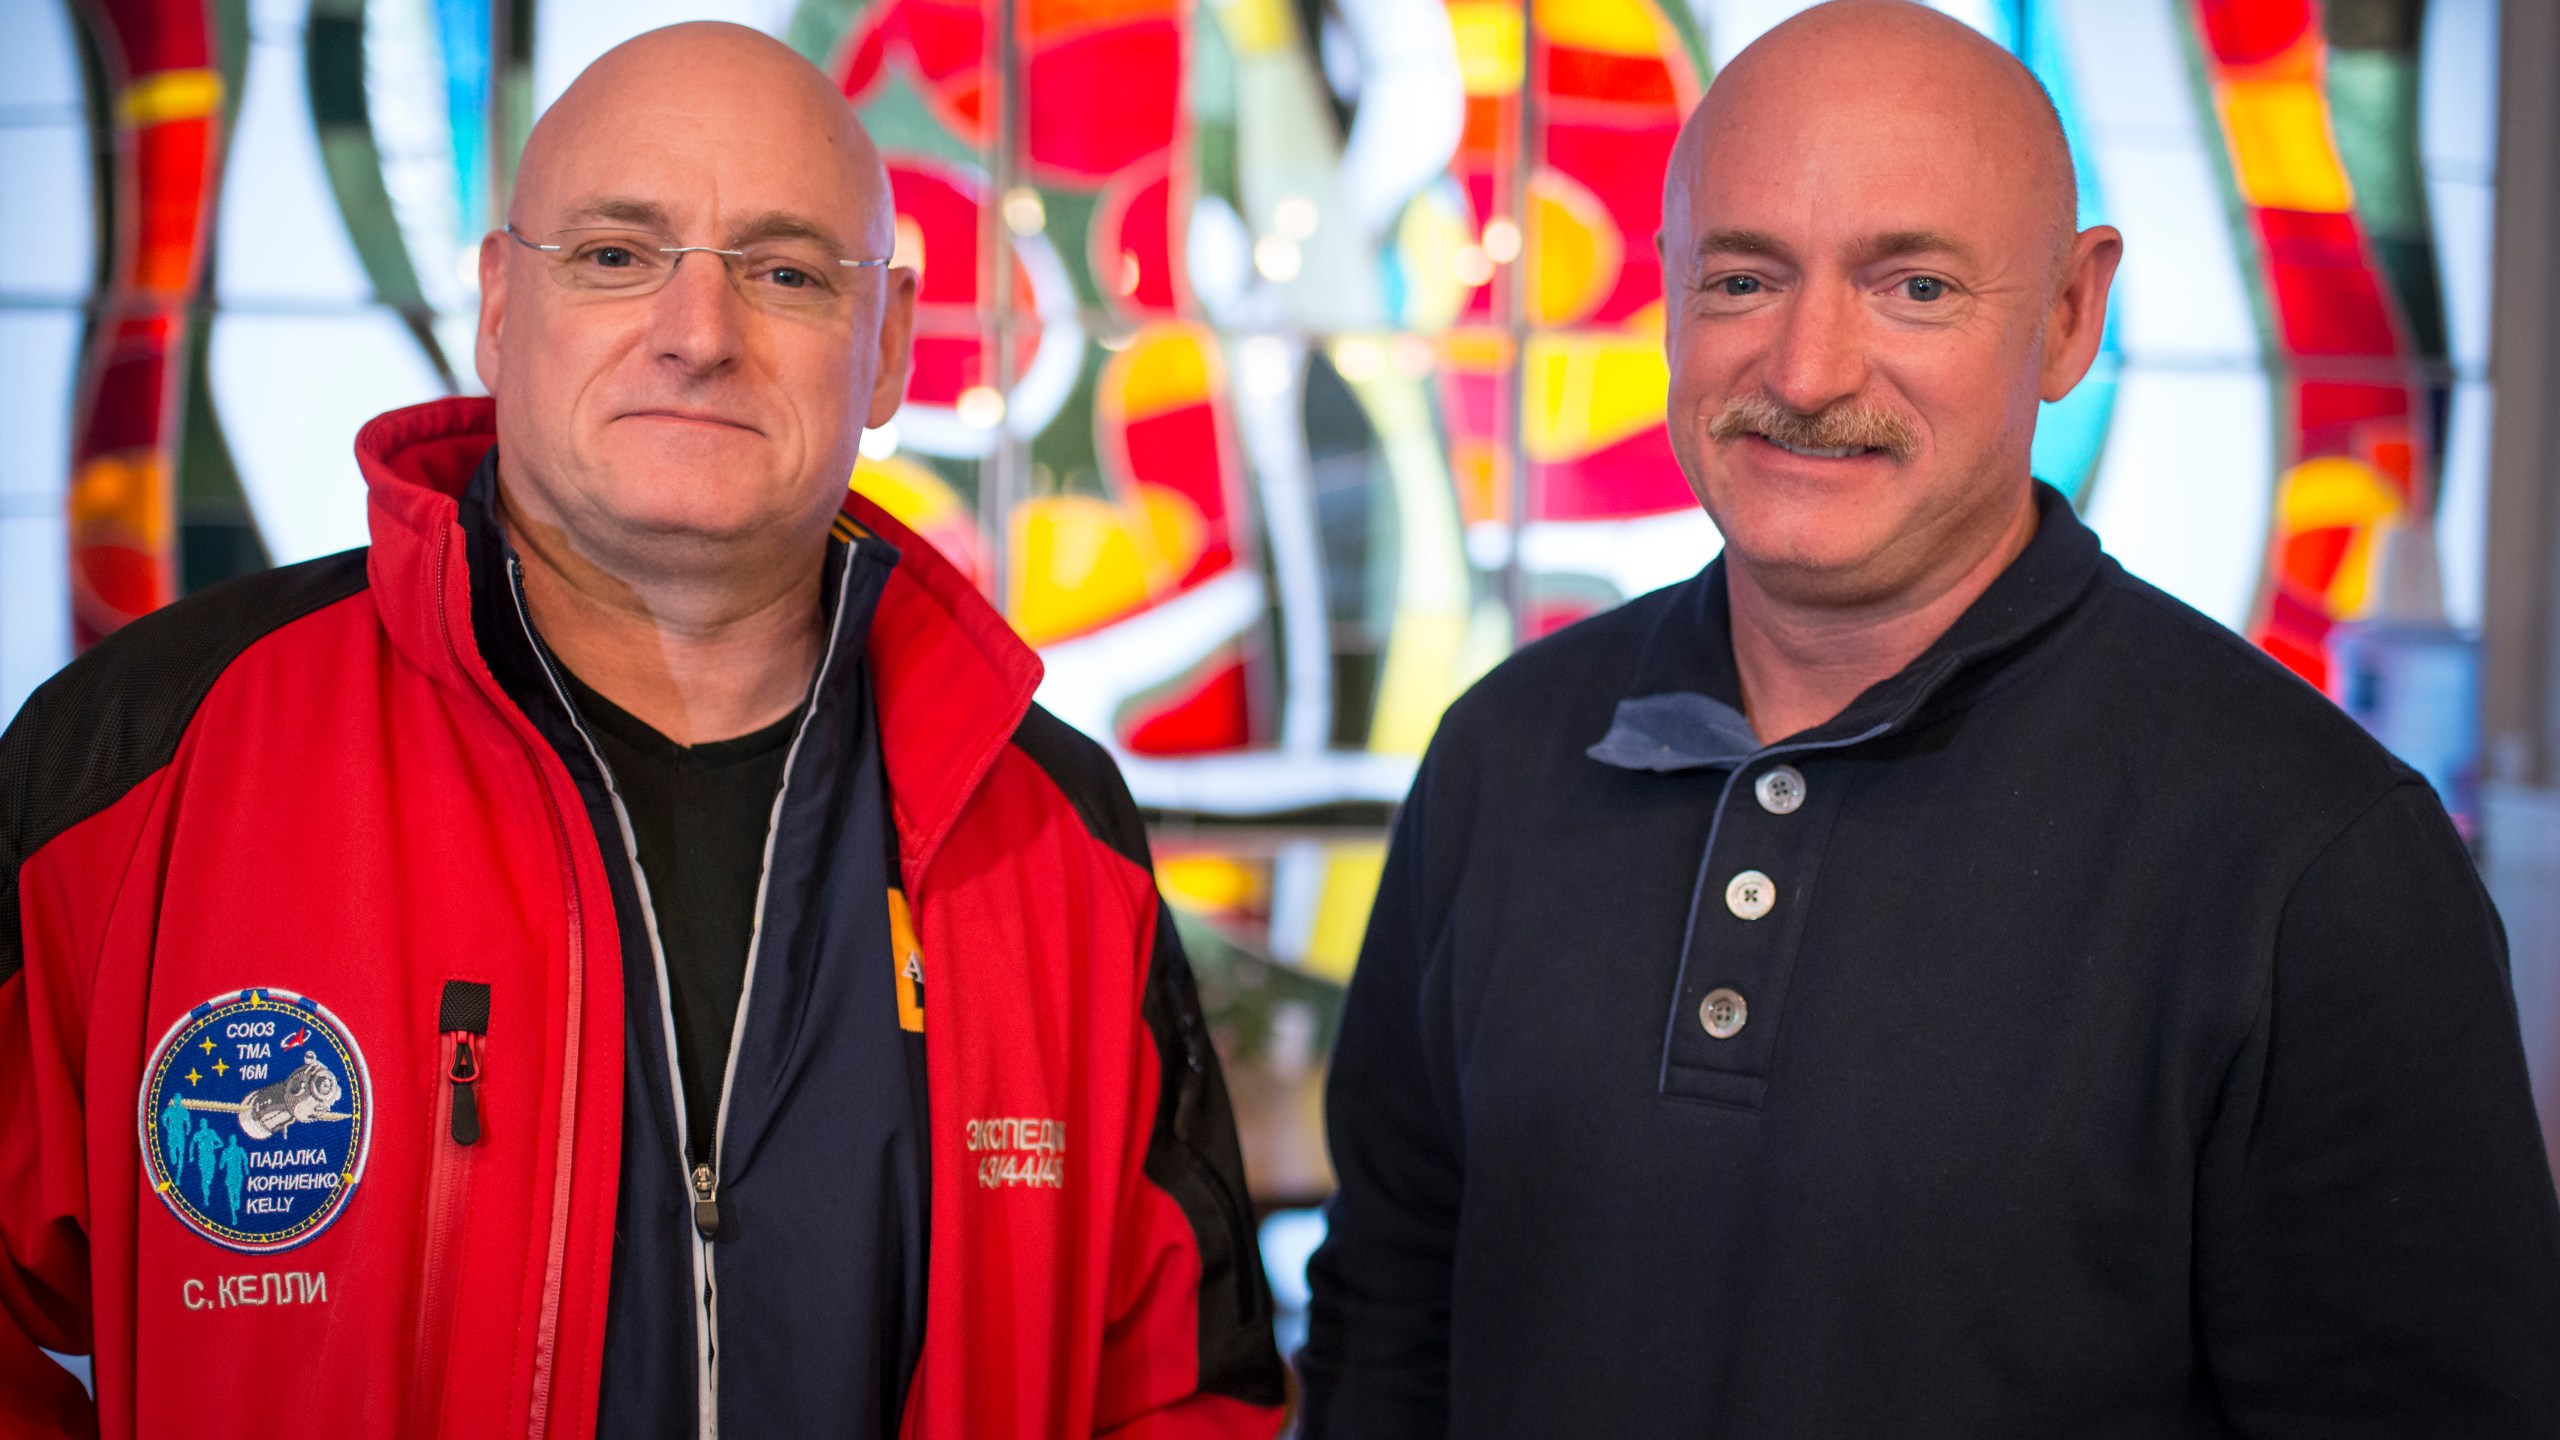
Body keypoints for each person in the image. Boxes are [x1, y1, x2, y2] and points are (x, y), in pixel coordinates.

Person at [0, 23, 1284, 1438]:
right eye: (615, 255)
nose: (699, 332)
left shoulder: (1048, 831)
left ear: (890, 350)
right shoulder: (141, 767)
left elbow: (1182, 1394)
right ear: (499, 308)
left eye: (788, 272)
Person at [1298, 2, 2560, 1435]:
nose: (1807, 372)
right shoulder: (1504, 754)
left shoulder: (2319, 860)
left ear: (2069, 317)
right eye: (1743, 280)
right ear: (1665, 294)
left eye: (1913, 288)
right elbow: (1388, 1326)